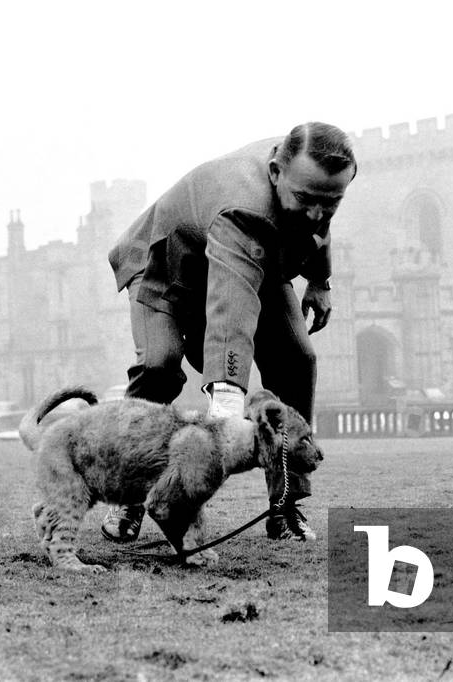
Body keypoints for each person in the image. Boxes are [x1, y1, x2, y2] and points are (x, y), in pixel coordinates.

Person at [104, 122, 357, 543]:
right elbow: (230, 318)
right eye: (306, 199)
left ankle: (285, 503)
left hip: (259, 259)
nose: (317, 212)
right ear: (275, 172)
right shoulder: (244, 208)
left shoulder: (312, 184)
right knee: (159, 366)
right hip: (170, 271)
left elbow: (318, 226)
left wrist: (320, 281)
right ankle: (128, 492)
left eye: (331, 202)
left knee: (298, 360)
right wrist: (225, 405)